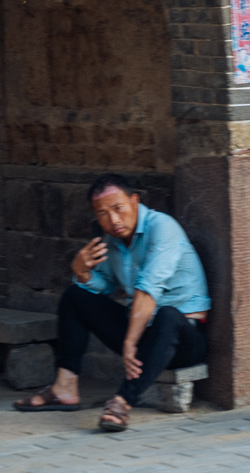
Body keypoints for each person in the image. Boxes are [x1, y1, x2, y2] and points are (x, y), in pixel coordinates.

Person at [14, 173, 211, 432]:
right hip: (142, 336)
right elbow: (103, 285)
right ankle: (64, 387)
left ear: (134, 201)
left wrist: (129, 342)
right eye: (103, 214)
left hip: (184, 339)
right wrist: (82, 272)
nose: (113, 220)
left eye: (118, 209)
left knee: (169, 315)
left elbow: (148, 291)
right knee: (76, 296)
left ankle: (122, 402)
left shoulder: (163, 228)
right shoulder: (114, 242)